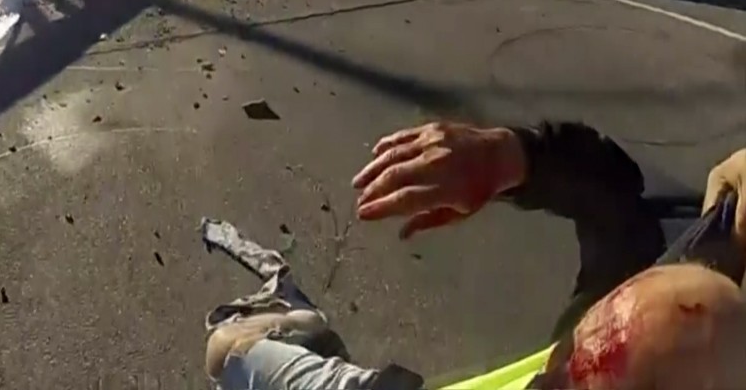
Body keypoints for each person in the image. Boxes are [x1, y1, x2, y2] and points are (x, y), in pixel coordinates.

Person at [205, 121, 746, 390]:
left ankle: (299, 331)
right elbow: (620, 211)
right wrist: (512, 158)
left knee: (232, 350)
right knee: (227, 351)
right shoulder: (675, 309)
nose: (550, 376)